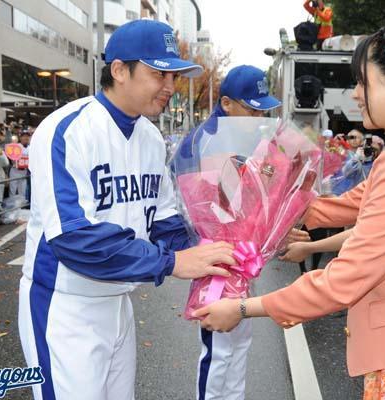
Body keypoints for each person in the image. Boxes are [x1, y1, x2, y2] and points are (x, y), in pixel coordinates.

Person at [195, 18, 385, 399]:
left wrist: (243, 307)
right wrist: (281, 210)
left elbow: (345, 279)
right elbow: (357, 203)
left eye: (362, 82)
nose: (354, 94)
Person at [18, 20, 237, 400]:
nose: (170, 86)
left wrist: (226, 245)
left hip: (119, 301)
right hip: (65, 304)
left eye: (173, 75)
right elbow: (74, 237)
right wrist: (172, 263)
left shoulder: (151, 138)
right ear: (119, 70)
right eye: (158, 73)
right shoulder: (66, 129)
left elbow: (166, 220)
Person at [172, 64, 281, 400]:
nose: (257, 116)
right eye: (251, 108)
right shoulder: (208, 141)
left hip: (239, 255)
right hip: (216, 259)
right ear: (228, 104)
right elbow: (210, 210)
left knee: (239, 343)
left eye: (264, 110)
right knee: (218, 349)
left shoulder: (242, 138)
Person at [8, 131, 31, 198]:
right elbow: (11, 159)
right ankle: (12, 207)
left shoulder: (31, 148)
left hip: (24, 172)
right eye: (24, 136)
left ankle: (20, 207)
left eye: (27, 136)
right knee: (12, 191)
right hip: (15, 171)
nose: (26, 137)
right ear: (20, 137)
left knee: (22, 191)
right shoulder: (16, 146)